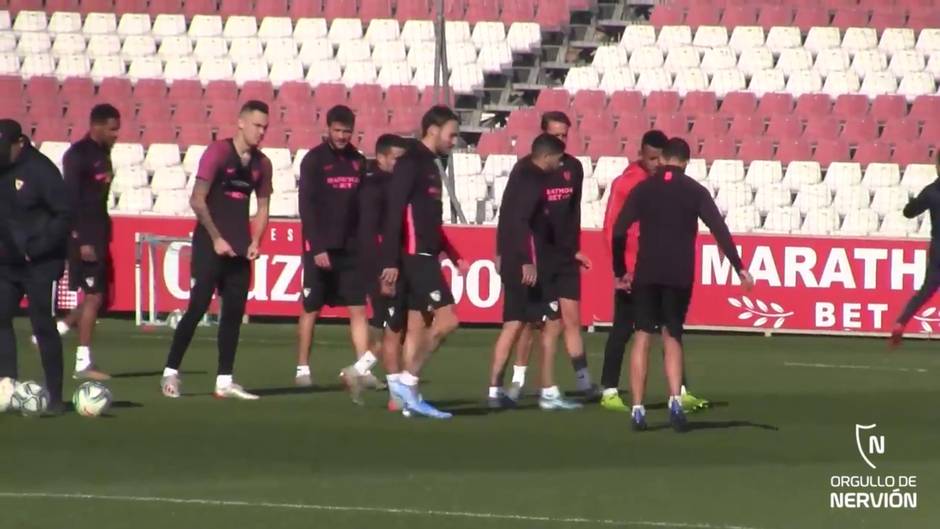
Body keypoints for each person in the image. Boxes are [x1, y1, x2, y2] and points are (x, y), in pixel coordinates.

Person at [611, 138, 753, 432]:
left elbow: (619, 229)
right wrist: (739, 267)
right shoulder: (694, 191)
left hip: (647, 271)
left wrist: (619, 269)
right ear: (686, 162)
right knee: (672, 334)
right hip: (679, 274)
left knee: (641, 336)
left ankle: (637, 409)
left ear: (662, 159)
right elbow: (719, 229)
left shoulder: (644, 188)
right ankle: (675, 399)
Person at [160, 100, 272, 400]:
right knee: (197, 307)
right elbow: (198, 199)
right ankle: (170, 371)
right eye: (257, 125)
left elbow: (263, 208)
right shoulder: (219, 153)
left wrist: (255, 241)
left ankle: (224, 380)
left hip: (238, 248)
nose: (261, 132)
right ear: (241, 122)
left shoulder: (262, 165)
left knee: (233, 314)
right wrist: (216, 237)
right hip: (210, 245)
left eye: (265, 127)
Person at [601, 129, 707, 413]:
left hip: (654, 266)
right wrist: (620, 270)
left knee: (671, 329)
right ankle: (609, 389)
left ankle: (679, 391)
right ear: (641, 155)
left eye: (660, 159)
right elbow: (613, 228)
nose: (657, 164)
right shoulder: (627, 184)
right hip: (632, 271)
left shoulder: (662, 184)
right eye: (652, 159)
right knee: (625, 327)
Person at [379, 105, 467, 419]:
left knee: (419, 327)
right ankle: (407, 380)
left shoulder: (430, 164)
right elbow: (394, 212)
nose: (454, 141)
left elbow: (430, 220)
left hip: (427, 254)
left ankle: (411, 400)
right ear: (433, 130)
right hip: (416, 257)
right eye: (452, 134)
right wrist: (390, 259)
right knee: (448, 321)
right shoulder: (410, 162)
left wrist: (454, 255)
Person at [508, 112, 599, 400]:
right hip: (539, 254)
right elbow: (514, 215)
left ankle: (584, 381)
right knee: (532, 322)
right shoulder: (525, 169)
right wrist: (517, 253)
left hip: (565, 255)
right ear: (543, 134)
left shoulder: (574, 167)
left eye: (564, 135)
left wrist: (575, 248)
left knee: (571, 318)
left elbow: (573, 213)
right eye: (556, 135)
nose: (562, 140)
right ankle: (518, 380)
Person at [489, 133, 582, 410]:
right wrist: (527, 260)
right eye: (557, 158)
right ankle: (534, 391)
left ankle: (513, 390)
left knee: (529, 323)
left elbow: (508, 215)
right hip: (527, 266)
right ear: (546, 157)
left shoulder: (521, 174)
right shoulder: (533, 179)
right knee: (535, 323)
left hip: (520, 260)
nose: (559, 164)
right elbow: (521, 222)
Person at [295, 105, 380, 403]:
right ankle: (302, 367)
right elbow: (306, 206)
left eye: (347, 131)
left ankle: (362, 368)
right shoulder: (314, 160)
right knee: (311, 308)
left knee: (358, 309)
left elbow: (364, 206)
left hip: (351, 248)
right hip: (320, 249)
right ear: (328, 128)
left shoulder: (358, 161)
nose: (342, 136)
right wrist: (317, 246)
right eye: (337, 130)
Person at [0, 119, 73, 415]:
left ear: (20, 143)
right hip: (7, 261)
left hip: (41, 262)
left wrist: (38, 248)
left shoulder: (42, 171)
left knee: (42, 325)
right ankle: (7, 385)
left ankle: (54, 396)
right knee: (1, 318)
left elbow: (64, 214)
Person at [56, 103, 121, 382]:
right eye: (112, 129)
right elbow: (69, 200)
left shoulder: (103, 154)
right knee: (93, 296)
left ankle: (59, 328)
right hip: (84, 236)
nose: (117, 134)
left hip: (98, 233)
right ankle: (82, 363)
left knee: (98, 296)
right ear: (96, 126)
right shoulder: (77, 155)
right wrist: (80, 239)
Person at [357, 133, 410, 410]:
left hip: (392, 262)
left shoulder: (391, 184)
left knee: (390, 323)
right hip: (381, 265)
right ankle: (395, 392)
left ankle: (361, 369)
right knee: (393, 326)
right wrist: (383, 270)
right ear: (381, 158)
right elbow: (370, 233)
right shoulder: (374, 188)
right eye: (396, 159)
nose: (400, 165)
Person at [890, 152, 940, 348]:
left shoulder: (931, 191)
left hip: (937, 247)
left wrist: (912, 203)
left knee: (925, 291)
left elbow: (909, 213)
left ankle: (900, 322)